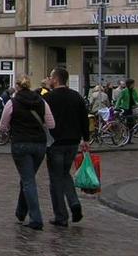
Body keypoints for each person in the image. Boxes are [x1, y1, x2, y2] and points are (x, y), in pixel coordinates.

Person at [0, 75, 55, 230]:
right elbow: (51, 124)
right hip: (39, 144)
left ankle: (36, 219)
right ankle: (20, 212)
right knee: (27, 178)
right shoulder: (41, 101)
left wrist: (7, 130)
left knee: (28, 180)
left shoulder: (12, 103)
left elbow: (2, 126)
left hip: (21, 143)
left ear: (17, 87)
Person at [45, 68, 90, 227]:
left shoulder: (49, 98)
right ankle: (74, 203)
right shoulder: (76, 96)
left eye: (51, 77)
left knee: (55, 179)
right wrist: (86, 138)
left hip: (55, 142)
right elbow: (84, 119)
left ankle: (61, 216)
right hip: (73, 142)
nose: (49, 79)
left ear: (56, 79)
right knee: (65, 174)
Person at [115, 78, 138, 144]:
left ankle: (129, 139)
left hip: (131, 109)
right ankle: (123, 137)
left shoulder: (133, 91)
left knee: (131, 124)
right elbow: (119, 99)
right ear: (130, 84)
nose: (134, 85)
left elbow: (137, 98)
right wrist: (116, 107)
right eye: (133, 83)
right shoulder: (124, 91)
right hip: (125, 109)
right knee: (126, 124)